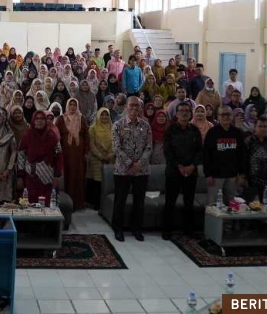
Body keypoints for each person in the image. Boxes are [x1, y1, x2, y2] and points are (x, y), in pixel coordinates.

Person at [111, 97, 152, 242]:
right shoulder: (118, 125)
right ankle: (118, 229)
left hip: (142, 170)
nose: (135, 108)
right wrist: (130, 163)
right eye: (132, 105)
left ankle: (137, 229)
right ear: (126, 107)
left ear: (141, 108)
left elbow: (149, 147)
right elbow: (116, 148)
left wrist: (139, 163)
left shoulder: (146, 125)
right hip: (123, 170)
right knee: (120, 200)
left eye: (137, 106)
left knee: (139, 202)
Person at [162, 103, 202, 240]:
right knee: (170, 202)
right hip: (174, 171)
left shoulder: (195, 130)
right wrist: (179, 166)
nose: (184, 113)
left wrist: (192, 166)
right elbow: (167, 151)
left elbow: (199, 151)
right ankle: (166, 230)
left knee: (189, 202)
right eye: (181, 111)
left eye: (187, 111)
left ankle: (189, 229)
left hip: (191, 172)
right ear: (176, 114)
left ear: (190, 114)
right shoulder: (170, 130)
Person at [203, 107, 246, 207]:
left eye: (228, 114)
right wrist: (207, 174)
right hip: (215, 176)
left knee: (232, 203)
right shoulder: (212, 132)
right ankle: (214, 223)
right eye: (223, 115)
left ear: (232, 116)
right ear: (218, 117)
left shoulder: (237, 133)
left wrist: (242, 174)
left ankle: (228, 223)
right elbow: (206, 154)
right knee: (213, 204)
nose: (226, 117)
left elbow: (242, 154)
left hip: (233, 175)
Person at [17, 111, 63, 204]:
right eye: (37, 119)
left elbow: (59, 155)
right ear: (33, 121)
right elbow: (21, 156)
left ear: (46, 120)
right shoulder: (27, 135)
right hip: (31, 175)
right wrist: (20, 176)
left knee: (47, 202)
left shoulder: (53, 136)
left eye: (42, 119)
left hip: (48, 175)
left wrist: (57, 175)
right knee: (30, 202)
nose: (39, 121)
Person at [56, 98, 89, 210]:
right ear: (67, 106)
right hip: (65, 153)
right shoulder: (61, 119)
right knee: (67, 176)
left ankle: (78, 202)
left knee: (78, 176)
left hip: (79, 154)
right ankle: (66, 203)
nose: (73, 107)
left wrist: (86, 152)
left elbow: (86, 136)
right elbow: (57, 136)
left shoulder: (82, 118)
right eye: (71, 105)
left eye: (75, 105)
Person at [244, 116, 267, 203]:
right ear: (255, 127)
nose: (262, 129)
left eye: (265, 126)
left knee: (266, 207)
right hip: (251, 181)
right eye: (260, 126)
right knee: (250, 207)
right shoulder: (248, 142)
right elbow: (243, 161)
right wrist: (242, 176)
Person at [86, 108, 115, 210]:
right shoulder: (92, 128)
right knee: (97, 182)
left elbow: (116, 143)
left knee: (108, 182)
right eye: (102, 115)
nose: (104, 117)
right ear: (98, 116)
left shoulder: (114, 127)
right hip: (96, 159)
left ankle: (106, 205)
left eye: (106, 115)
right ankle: (96, 204)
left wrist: (110, 155)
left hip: (110, 159)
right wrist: (101, 156)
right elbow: (91, 144)